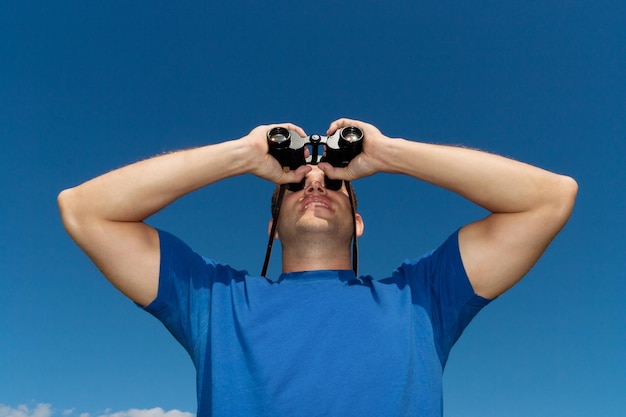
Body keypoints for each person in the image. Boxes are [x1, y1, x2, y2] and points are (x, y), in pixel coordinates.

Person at [58, 118, 577, 417]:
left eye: (334, 183)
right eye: (295, 184)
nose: (314, 184)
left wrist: (388, 153)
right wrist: (242, 154)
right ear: (271, 228)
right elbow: (85, 209)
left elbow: (551, 198)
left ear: (358, 224)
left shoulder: (420, 297)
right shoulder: (215, 301)